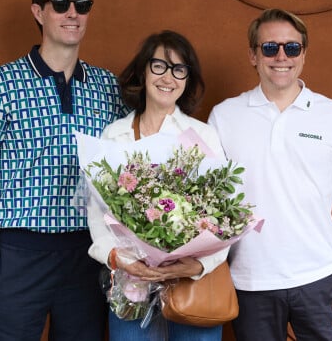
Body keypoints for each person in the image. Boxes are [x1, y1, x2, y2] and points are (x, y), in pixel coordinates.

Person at [0, 0, 129, 340]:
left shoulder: (107, 87)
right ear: (39, 12)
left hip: (87, 252)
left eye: (81, 5)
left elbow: (128, 168)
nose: (72, 13)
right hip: (19, 250)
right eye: (61, 4)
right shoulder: (1, 82)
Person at [208, 8, 332, 340]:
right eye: (270, 48)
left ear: (304, 54)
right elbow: (209, 205)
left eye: (292, 48)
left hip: (322, 279)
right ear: (253, 55)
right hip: (251, 282)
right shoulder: (224, 117)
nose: (282, 56)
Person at [87, 30, 228, 341]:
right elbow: (97, 214)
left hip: (192, 286)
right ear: (143, 70)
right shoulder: (115, 135)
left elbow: (223, 217)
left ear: (188, 79)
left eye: (179, 69)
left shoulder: (202, 136)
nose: (169, 77)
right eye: (159, 66)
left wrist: (195, 264)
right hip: (130, 286)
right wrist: (117, 257)